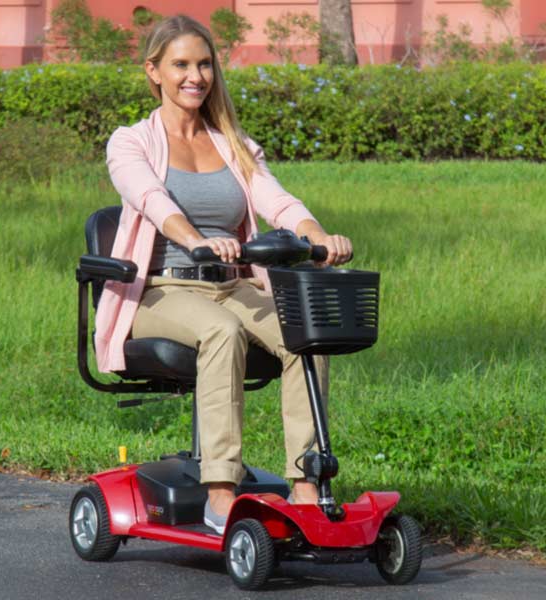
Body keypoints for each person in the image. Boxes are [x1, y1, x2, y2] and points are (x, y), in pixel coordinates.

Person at [95, 15, 353, 534]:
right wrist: (194, 239)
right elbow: (149, 198)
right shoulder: (131, 142)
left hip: (232, 285)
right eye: (181, 65)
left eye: (205, 64)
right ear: (155, 72)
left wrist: (318, 236)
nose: (196, 76)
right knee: (222, 331)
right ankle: (220, 490)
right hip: (161, 290)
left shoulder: (232, 142)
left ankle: (305, 484)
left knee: (308, 336)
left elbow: (275, 198)